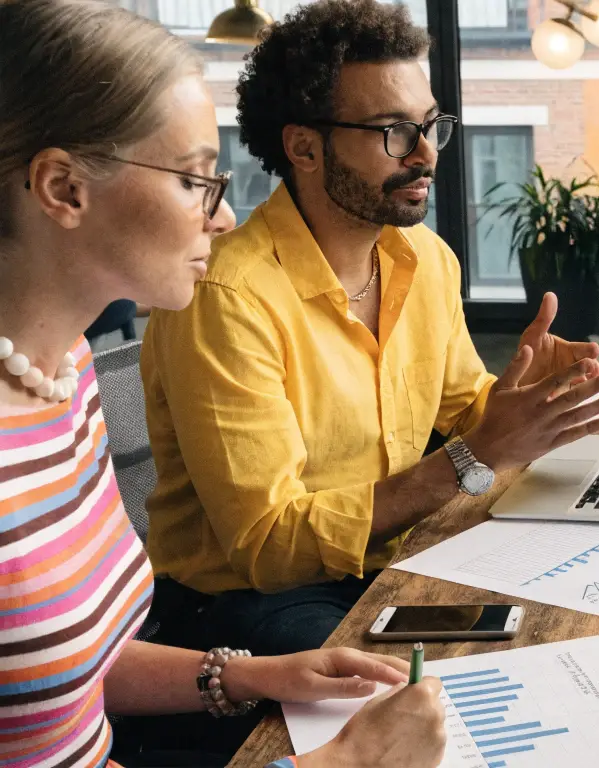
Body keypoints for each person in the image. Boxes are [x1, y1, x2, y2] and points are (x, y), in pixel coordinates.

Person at [0, 1, 447, 766]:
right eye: (194, 180)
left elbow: (52, 674)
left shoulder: (59, 376)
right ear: (63, 189)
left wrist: (247, 674)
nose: (224, 217)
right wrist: (348, 762)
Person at [141, 0, 599, 657]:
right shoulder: (226, 297)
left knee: (573, 617)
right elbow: (267, 549)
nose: (426, 154)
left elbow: (462, 410)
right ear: (305, 147)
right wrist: (474, 456)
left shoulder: (422, 261)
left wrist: (520, 403)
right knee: (418, 703)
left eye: (430, 126)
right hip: (239, 610)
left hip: (388, 557)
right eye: (395, 132)